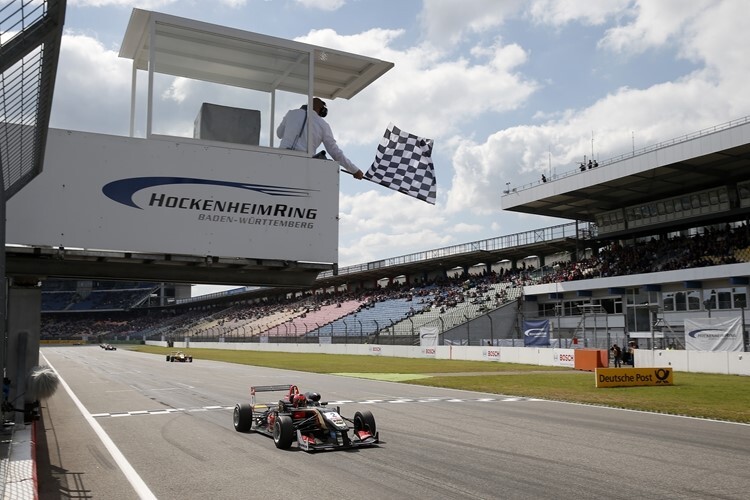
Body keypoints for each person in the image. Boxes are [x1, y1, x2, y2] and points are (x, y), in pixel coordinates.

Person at [276, 97, 364, 179]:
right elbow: (334, 152)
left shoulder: (291, 113)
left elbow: (279, 134)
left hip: (280, 159)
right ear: (320, 109)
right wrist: (355, 170)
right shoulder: (323, 125)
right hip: (304, 165)